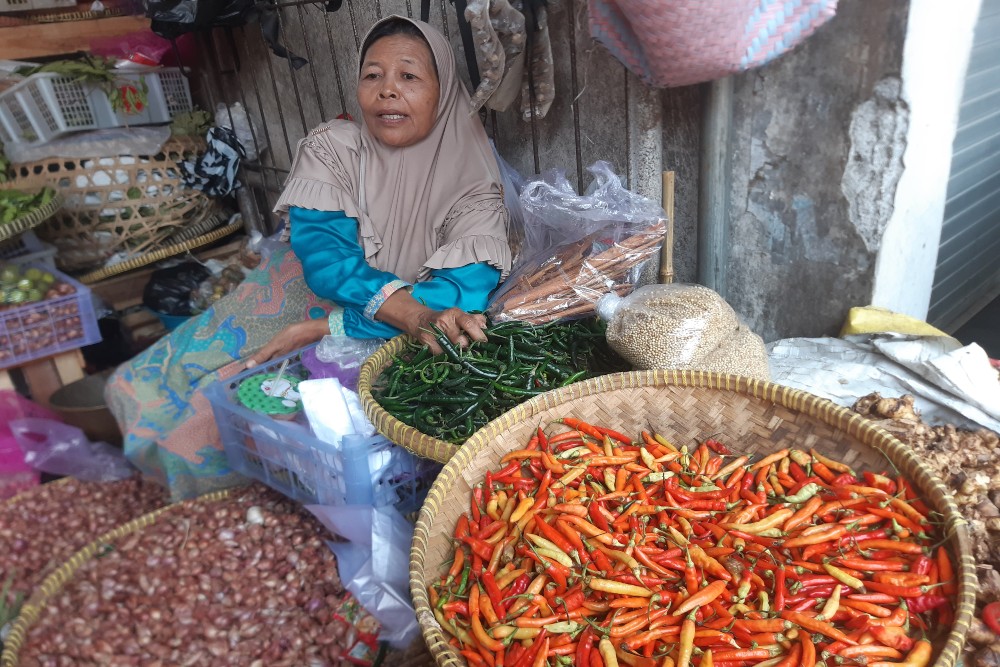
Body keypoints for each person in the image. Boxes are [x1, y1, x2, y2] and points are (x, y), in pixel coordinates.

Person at [105, 15, 512, 501]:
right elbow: (324, 256)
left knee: (209, 419)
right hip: (305, 287)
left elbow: (453, 296)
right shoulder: (334, 147)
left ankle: (219, 517)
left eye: (408, 76)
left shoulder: (476, 191)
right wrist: (390, 310)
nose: (386, 90)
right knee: (138, 382)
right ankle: (164, 505)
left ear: (443, 92)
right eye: (372, 74)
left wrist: (332, 328)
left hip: (374, 329)